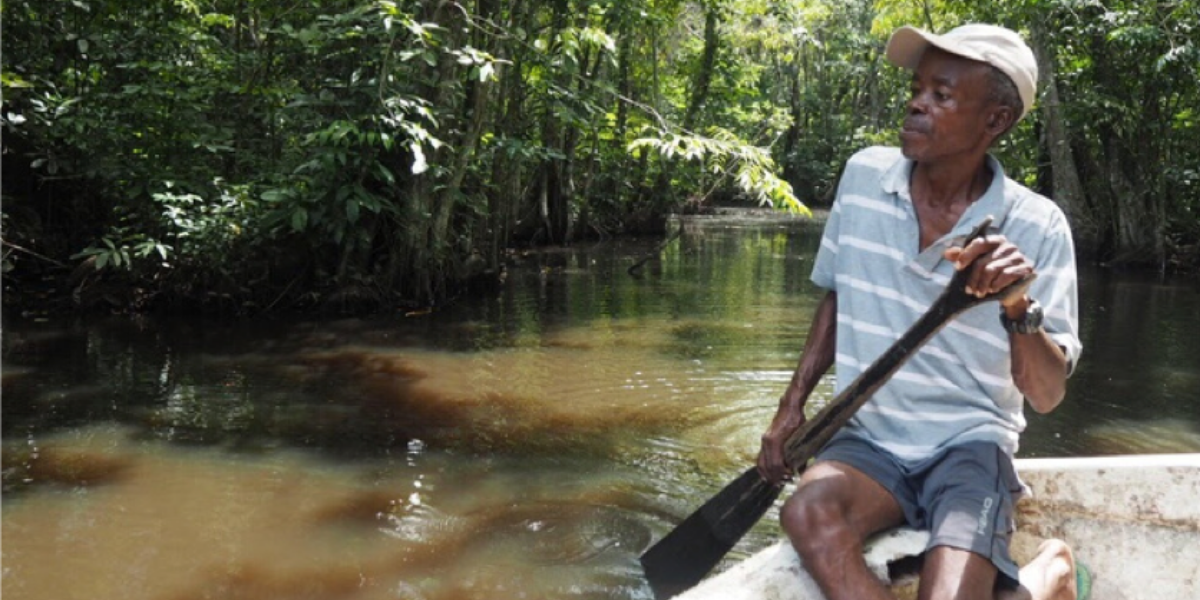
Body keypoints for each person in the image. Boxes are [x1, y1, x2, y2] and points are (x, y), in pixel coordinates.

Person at [755, 24, 1084, 600]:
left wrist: (1016, 303)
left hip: (969, 444)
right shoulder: (863, 178)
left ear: (996, 121)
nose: (916, 103)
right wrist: (791, 405)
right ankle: (1035, 584)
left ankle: (1046, 571)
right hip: (867, 439)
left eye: (941, 94)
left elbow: (1048, 394)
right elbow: (838, 293)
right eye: (917, 87)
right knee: (807, 514)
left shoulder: (1039, 225)